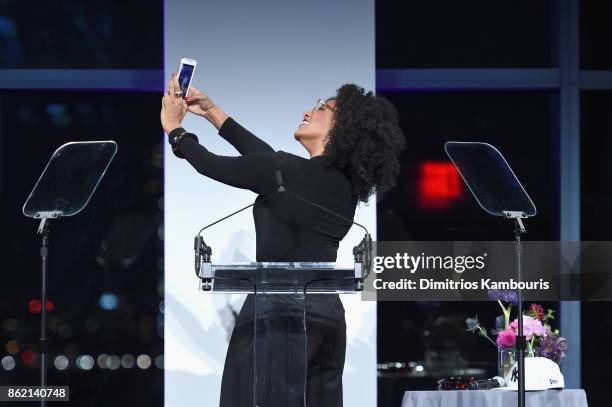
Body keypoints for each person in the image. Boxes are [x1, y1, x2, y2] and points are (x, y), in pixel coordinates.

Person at [160, 74, 405, 406]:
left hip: (276, 311)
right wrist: (212, 111)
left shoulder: (287, 173)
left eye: (323, 107)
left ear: (342, 127)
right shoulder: (341, 186)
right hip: (327, 313)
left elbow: (211, 164)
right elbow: (265, 158)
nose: (309, 109)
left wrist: (175, 130)